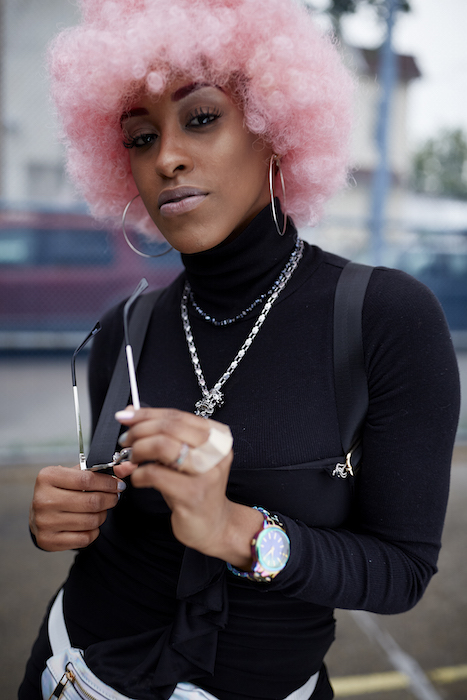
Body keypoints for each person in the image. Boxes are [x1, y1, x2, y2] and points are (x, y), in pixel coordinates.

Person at [20, 0, 460, 699]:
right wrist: (67, 515)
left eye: (200, 118)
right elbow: (116, 523)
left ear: (274, 130)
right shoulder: (123, 329)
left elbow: (401, 571)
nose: (166, 158)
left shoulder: (385, 318)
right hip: (74, 672)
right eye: (140, 137)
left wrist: (238, 531)